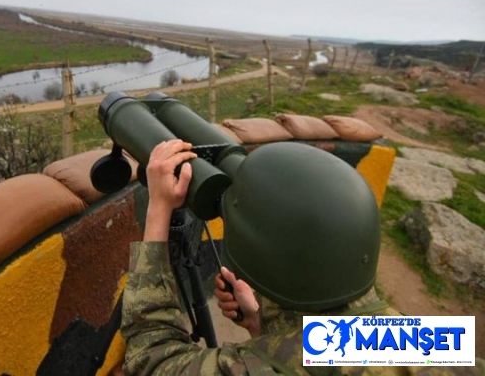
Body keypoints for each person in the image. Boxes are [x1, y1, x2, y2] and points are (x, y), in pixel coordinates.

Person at [120, 139, 483, 375]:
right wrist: (271, 329)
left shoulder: (255, 368)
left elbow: (152, 357)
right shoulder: (428, 344)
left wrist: (159, 208)